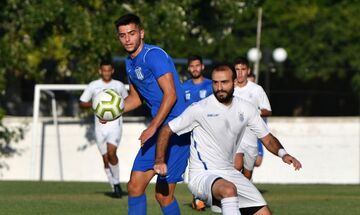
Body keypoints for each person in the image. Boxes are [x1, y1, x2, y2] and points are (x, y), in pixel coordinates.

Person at [154, 64, 302, 215]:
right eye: (215, 83)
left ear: (235, 82)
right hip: (203, 175)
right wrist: (159, 160)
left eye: (224, 82)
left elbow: (267, 138)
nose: (219, 87)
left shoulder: (246, 108)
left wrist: (284, 154)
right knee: (229, 190)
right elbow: (166, 130)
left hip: (230, 173)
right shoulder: (199, 109)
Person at [114, 14, 189, 215]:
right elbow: (136, 98)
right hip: (157, 130)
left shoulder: (152, 55)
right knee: (134, 187)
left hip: (177, 129)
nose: (127, 39)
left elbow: (171, 94)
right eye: (122, 35)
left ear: (141, 33)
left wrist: (153, 127)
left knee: (163, 196)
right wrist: (113, 111)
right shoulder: (129, 63)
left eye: (131, 33)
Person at [79, 59, 128, 198]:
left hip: (115, 125)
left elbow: (127, 101)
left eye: (109, 70)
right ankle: (113, 185)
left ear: (112, 71)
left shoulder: (118, 85)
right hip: (99, 127)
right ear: (100, 71)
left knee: (112, 153)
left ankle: (117, 184)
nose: (106, 73)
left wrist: (114, 109)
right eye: (104, 70)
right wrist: (96, 104)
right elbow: (82, 102)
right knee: (105, 158)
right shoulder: (94, 86)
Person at [182, 55, 212, 211]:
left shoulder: (211, 85)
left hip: (209, 133)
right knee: (193, 164)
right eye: (192, 66)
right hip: (189, 132)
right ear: (188, 68)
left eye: (197, 65)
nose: (195, 69)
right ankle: (197, 196)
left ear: (202, 67)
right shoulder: (183, 87)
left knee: (209, 164)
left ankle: (207, 195)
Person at [233, 57, 272, 180]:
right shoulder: (229, 88)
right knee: (236, 165)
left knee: (248, 173)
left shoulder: (256, 89)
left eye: (243, 69)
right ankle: (229, 195)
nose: (240, 73)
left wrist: (253, 112)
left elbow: (268, 111)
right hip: (234, 134)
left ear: (248, 71)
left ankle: (245, 193)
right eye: (237, 69)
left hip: (251, 135)